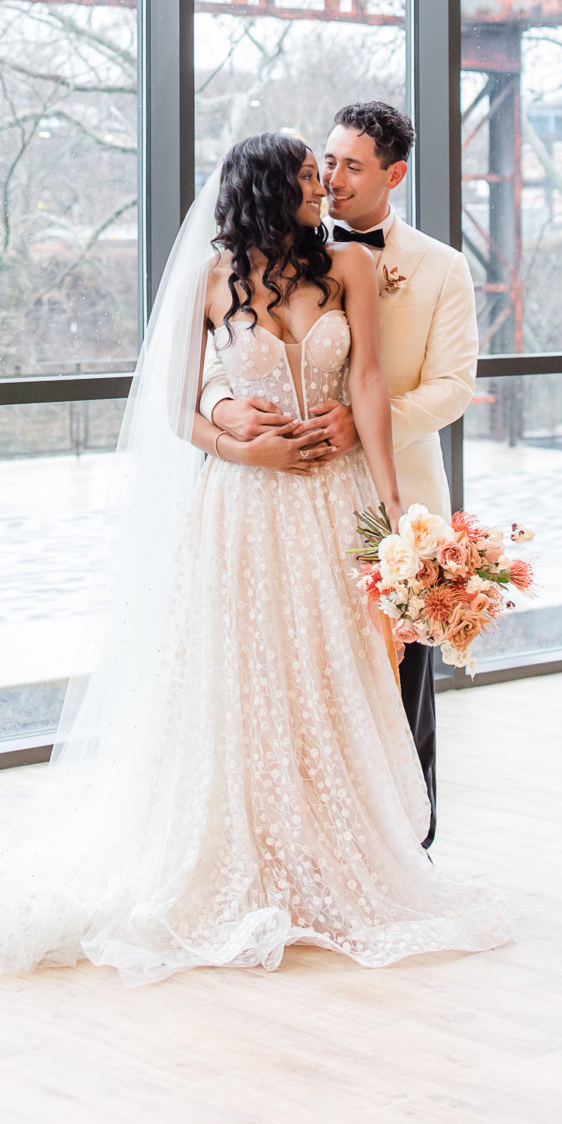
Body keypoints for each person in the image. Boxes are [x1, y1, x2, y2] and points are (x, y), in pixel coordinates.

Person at [0, 133, 509, 982]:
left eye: (326, 176)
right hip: (240, 507)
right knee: (241, 675)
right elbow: (176, 415)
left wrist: (389, 503)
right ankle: (240, 852)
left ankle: (333, 855)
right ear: (269, 190)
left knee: (330, 671)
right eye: (308, 180)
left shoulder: (346, 270)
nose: (322, 192)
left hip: (331, 496)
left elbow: (372, 387)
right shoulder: (208, 281)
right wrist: (241, 450)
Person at [199, 100, 477, 847]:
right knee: (282, 672)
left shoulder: (438, 268)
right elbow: (202, 374)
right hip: (270, 497)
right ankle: (292, 839)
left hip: (389, 491)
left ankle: (404, 847)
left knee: (395, 688)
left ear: (393, 175)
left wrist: (366, 427)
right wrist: (228, 419)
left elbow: (453, 384)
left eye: (351, 166)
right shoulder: (253, 267)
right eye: (326, 161)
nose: (332, 176)